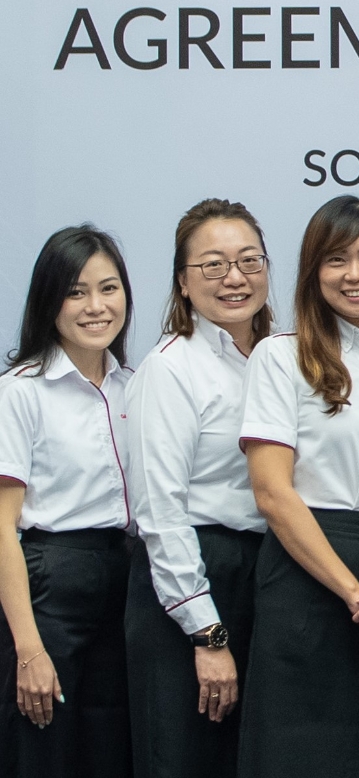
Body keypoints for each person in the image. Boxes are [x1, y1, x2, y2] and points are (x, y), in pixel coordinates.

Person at [235, 196, 359, 778]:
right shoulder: (282, 356)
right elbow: (273, 493)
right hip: (308, 582)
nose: (356, 275)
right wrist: (356, 596)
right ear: (312, 271)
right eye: (336, 259)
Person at [125, 200, 272, 778]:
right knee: (183, 759)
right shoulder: (171, 367)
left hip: (263, 575)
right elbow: (160, 511)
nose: (234, 278)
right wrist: (206, 633)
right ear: (183, 284)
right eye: (213, 266)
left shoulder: (279, 358)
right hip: (189, 585)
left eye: (248, 261)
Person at [0, 226, 137, 777]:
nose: (96, 307)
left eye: (109, 289)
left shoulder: (135, 386)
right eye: (77, 292)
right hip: (50, 588)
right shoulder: (21, 391)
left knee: (111, 751)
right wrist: (29, 648)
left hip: (126, 585)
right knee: (44, 752)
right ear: (48, 300)